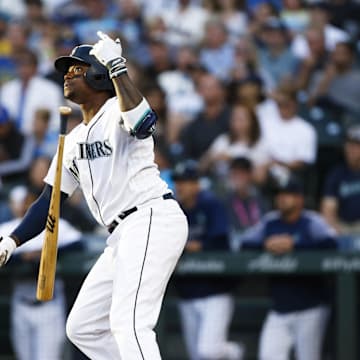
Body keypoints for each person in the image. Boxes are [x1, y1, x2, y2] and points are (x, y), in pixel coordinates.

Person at [0, 31, 188, 360]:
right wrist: (12, 240)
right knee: (83, 326)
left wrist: (117, 66)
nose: (68, 75)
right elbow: (50, 201)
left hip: (149, 218)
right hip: (120, 234)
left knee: (129, 324)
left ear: (98, 76)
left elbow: (144, 122)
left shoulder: (119, 108)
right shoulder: (72, 140)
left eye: (77, 69)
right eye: (66, 70)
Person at [241, 176, 337, 360]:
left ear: (300, 198)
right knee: (268, 355)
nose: (283, 198)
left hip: (311, 307)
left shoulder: (311, 221)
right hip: (279, 309)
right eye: (280, 194)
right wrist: (266, 244)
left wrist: (294, 245)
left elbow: (331, 244)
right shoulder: (270, 222)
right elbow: (244, 243)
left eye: (289, 194)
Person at [172, 159, 244, 360]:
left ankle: (234, 351)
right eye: (178, 181)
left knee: (209, 351)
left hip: (215, 291)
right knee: (197, 356)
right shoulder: (173, 209)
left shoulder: (211, 204)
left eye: (186, 181)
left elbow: (220, 240)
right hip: (187, 292)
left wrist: (192, 246)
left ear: (196, 184)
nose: (181, 186)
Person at [4, 185, 82, 360]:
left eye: (25, 201)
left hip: (49, 304)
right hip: (21, 301)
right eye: (17, 202)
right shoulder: (6, 229)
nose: (22, 206)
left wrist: (46, 253)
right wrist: (22, 258)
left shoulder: (55, 224)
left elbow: (78, 244)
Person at [321, 125, 360, 238]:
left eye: (356, 145)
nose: (351, 149)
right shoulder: (337, 174)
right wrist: (334, 229)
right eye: (349, 145)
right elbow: (328, 208)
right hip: (343, 226)